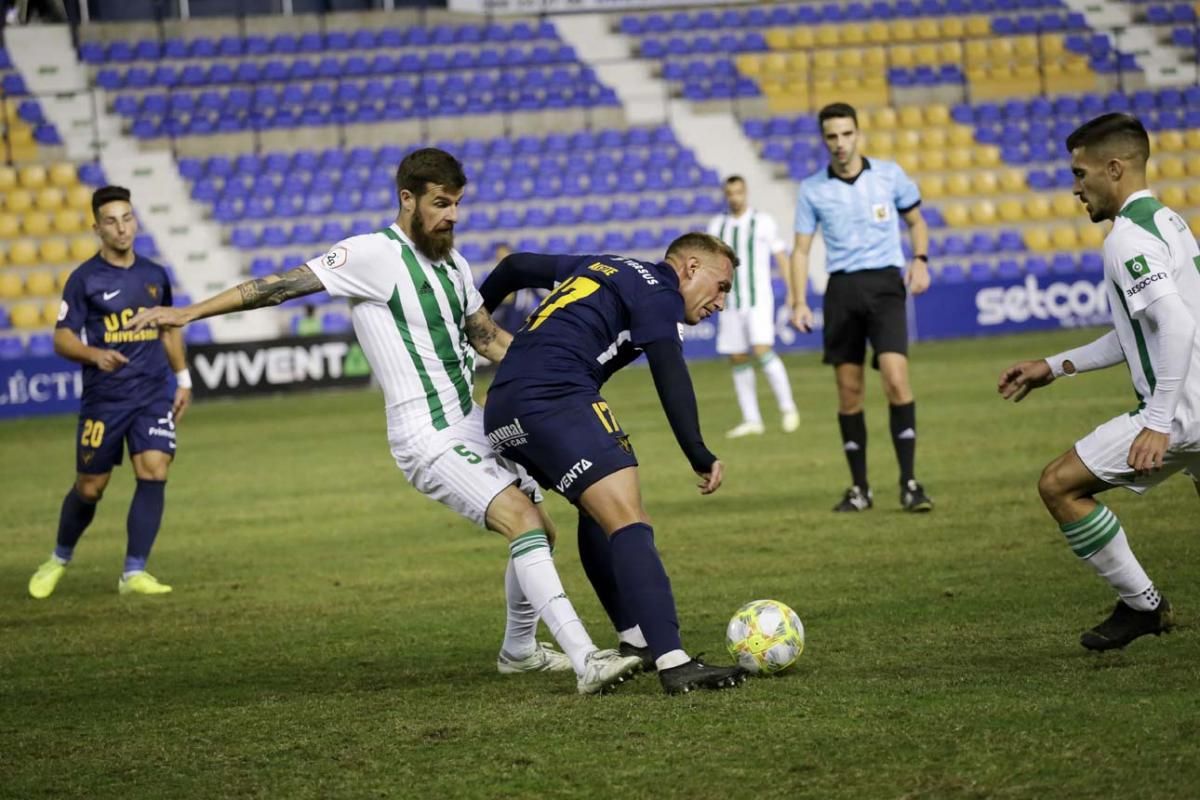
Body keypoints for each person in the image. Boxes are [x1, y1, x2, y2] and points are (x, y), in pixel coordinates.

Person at [126, 148, 641, 694]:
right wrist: (188, 313)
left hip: (469, 420)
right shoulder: (372, 255)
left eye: (458, 204)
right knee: (526, 523)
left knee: (542, 528)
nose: (452, 216)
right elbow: (278, 286)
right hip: (425, 434)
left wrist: (561, 376)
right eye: (441, 204)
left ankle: (519, 652)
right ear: (408, 198)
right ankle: (587, 660)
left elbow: (487, 338)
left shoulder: (456, 266)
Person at [479, 233, 749, 695]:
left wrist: (474, 317)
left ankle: (638, 640)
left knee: (596, 511)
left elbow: (516, 266)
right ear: (689, 268)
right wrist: (697, 451)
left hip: (503, 406)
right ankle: (675, 661)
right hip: (555, 397)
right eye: (721, 286)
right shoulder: (660, 292)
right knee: (628, 518)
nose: (721, 301)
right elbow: (670, 371)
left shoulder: (606, 265)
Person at [998, 113, 1200, 651]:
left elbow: (1177, 325)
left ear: (1115, 169)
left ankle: (1143, 605)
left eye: (1081, 173)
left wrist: (1157, 423)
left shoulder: (1126, 240)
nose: (1075, 187)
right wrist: (1056, 365)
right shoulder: (1169, 222)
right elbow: (1143, 332)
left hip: (1181, 413)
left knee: (1059, 484)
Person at [28, 185, 191, 598]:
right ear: (97, 228)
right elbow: (61, 339)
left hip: (152, 390)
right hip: (106, 398)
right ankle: (58, 557)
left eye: (127, 218)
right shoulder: (84, 280)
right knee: (90, 487)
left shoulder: (155, 274)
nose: (122, 228)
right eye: (112, 221)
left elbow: (169, 327)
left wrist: (183, 378)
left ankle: (134, 572)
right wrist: (94, 354)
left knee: (154, 468)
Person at [790, 102, 934, 513]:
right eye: (832, 136)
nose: (840, 143)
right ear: (824, 140)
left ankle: (909, 483)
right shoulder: (812, 189)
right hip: (842, 290)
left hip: (886, 284)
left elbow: (917, 222)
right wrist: (798, 300)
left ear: (858, 133)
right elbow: (801, 251)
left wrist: (920, 260)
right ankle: (860, 489)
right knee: (849, 392)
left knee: (895, 378)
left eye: (847, 134)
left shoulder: (890, 175)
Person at [707, 175, 800, 438]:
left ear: (746, 192)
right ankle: (752, 419)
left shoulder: (763, 222)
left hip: (758, 300)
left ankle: (788, 407)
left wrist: (792, 291)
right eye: (730, 193)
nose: (735, 197)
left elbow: (781, 257)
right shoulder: (717, 226)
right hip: (730, 302)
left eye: (739, 192)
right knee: (737, 357)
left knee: (762, 350)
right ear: (726, 195)